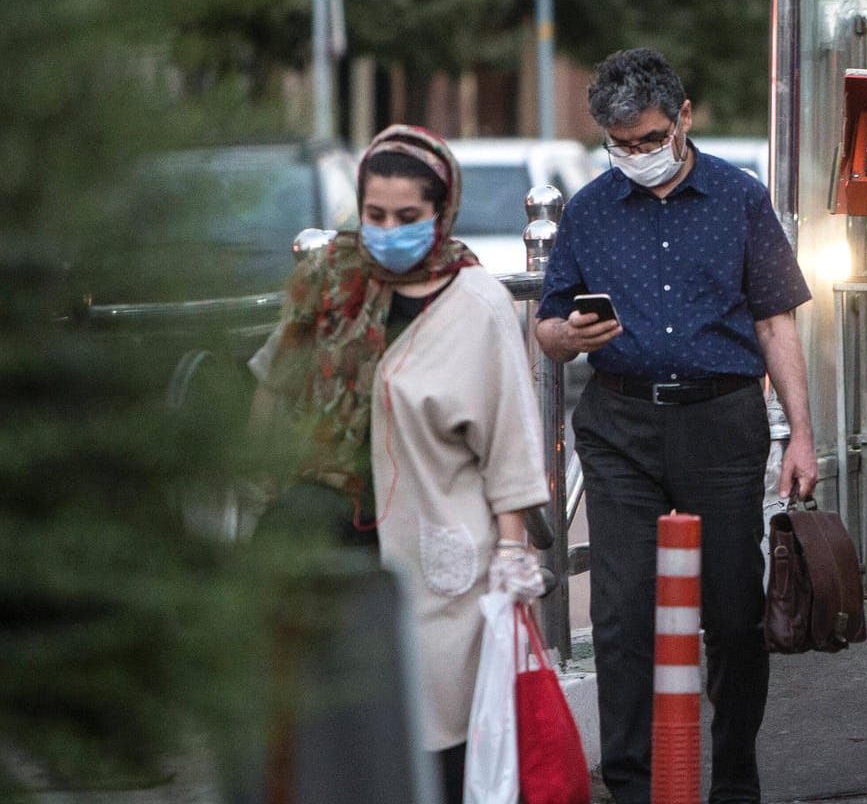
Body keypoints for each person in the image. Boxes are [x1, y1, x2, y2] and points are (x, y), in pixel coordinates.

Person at [533, 48, 818, 804]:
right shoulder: (590, 208)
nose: (636, 156)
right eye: (620, 144)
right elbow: (549, 322)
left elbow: (775, 322)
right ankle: (633, 784)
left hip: (723, 420)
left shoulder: (738, 197)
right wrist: (566, 338)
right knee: (623, 613)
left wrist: (803, 434)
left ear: (684, 119)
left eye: (650, 139)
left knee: (730, 611)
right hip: (619, 422)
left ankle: (733, 780)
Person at [253, 124, 549, 802]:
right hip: (319, 541)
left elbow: (509, 439)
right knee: (328, 731)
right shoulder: (327, 281)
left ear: (441, 214)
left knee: (437, 731)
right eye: (375, 215)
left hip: (435, 551)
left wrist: (512, 556)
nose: (387, 231)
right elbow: (274, 384)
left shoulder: (477, 304)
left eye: (407, 218)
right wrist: (263, 482)